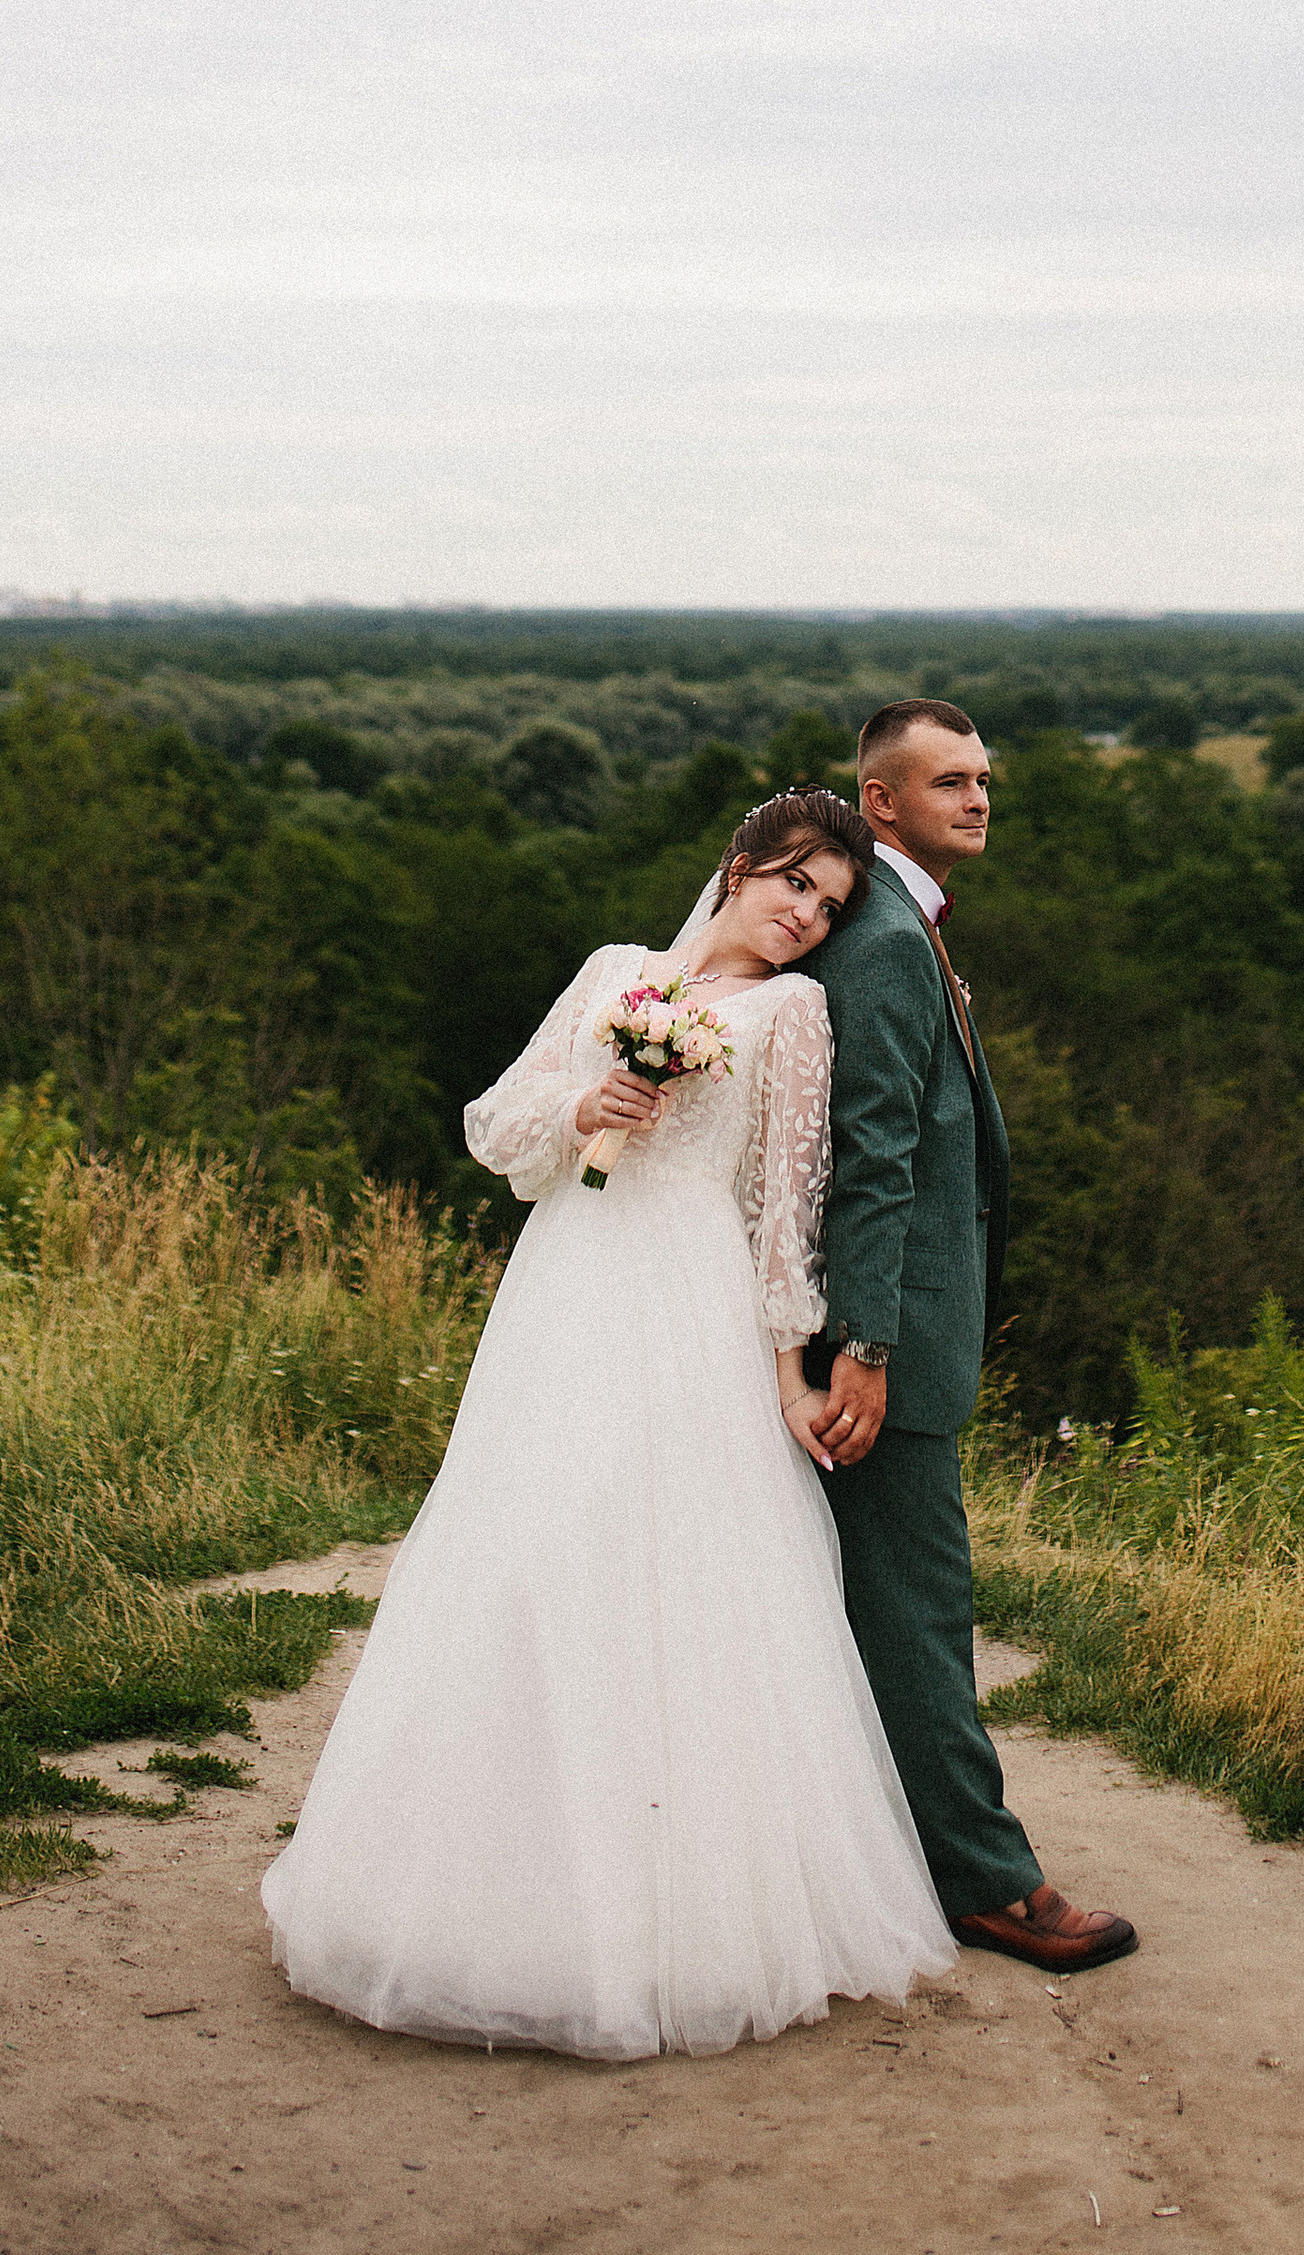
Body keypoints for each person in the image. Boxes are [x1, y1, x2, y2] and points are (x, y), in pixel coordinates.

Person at [262, 787, 953, 2060]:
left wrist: (797, 1367)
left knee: (661, 1573)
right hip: (568, 1284)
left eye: (831, 905)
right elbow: (498, 1124)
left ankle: (670, 1916)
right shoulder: (612, 972)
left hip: (689, 1301)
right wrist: (587, 1112)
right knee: (520, 1557)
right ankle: (473, 1889)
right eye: (793, 884)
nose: (806, 918)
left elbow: (787, 1207)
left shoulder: (794, 1015)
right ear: (740, 867)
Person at [804, 698, 1137, 1972]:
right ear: (879, 803)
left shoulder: (895, 923)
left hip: (887, 1333)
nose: (979, 797)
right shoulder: (886, 940)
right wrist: (868, 1350)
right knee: (917, 1613)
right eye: (949, 780)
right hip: (886, 1348)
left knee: (876, 1601)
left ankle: (893, 1844)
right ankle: (986, 1882)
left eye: (985, 777)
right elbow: (869, 1162)